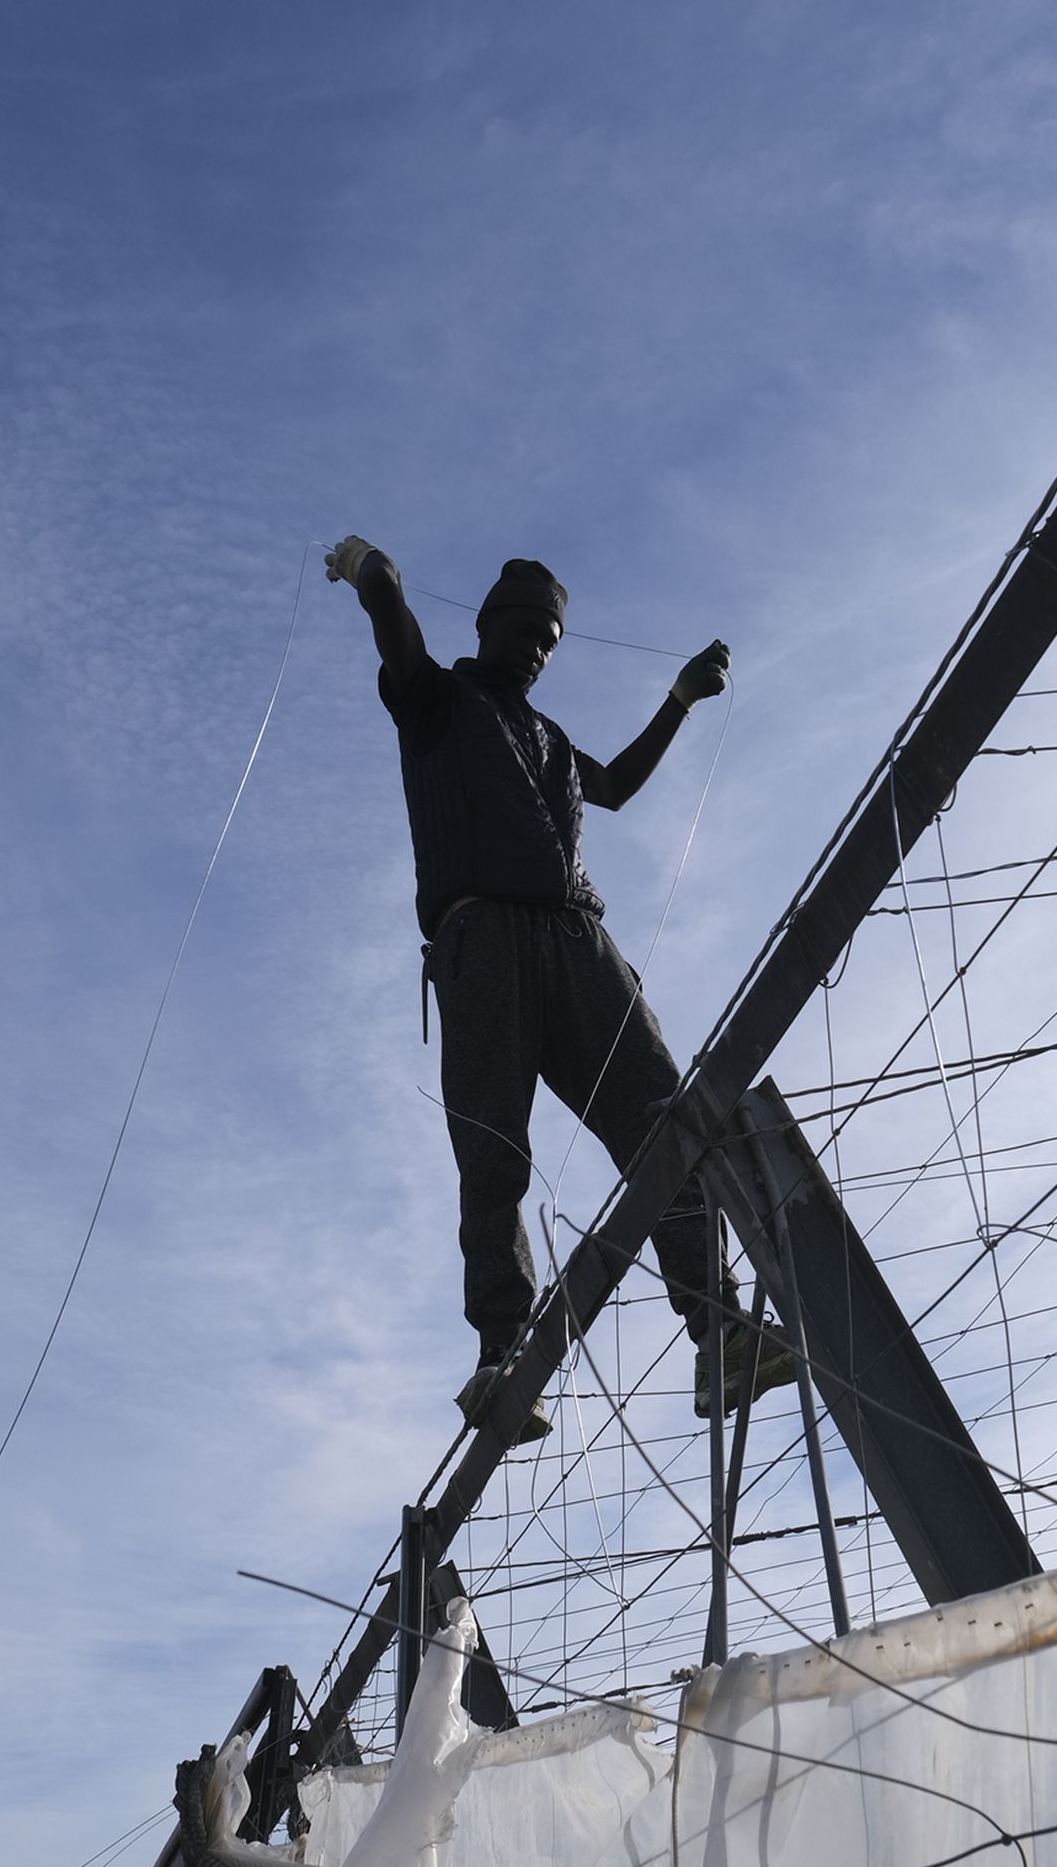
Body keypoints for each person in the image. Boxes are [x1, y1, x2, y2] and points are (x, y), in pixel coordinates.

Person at [326, 536, 794, 1440]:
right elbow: (394, 628)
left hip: (579, 942)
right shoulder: (438, 702)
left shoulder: (549, 739)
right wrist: (372, 573)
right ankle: (504, 1351)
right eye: (528, 629)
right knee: (494, 1147)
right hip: (482, 942)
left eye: (551, 638)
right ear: (488, 623)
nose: (539, 648)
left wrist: (678, 702)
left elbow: (612, 786)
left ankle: (720, 1332)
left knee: (666, 1116)